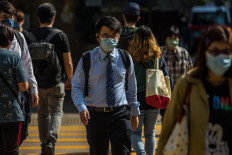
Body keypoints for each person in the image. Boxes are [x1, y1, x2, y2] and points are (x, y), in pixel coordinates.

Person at [156, 26, 232, 155]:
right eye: (215, 51)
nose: (221, 57)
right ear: (205, 52)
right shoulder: (187, 84)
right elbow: (167, 131)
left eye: (226, 51)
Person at [72, 16, 140, 155]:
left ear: (119, 37)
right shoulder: (87, 59)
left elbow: (131, 87)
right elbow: (77, 86)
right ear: (98, 37)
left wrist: (134, 111)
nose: (110, 39)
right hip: (95, 116)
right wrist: (81, 107)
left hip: (120, 114)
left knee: (122, 151)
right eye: (105, 35)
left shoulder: (125, 58)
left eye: (113, 36)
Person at [26, 3, 73, 154]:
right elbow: (68, 61)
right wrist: (70, 79)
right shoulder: (60, 35)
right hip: (56, 82)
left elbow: (26, 62)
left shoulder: (30, 36)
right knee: (57, 112)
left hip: (38, 84)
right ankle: (51, 141)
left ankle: (43, 144)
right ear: (54, 18)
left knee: (42, 114)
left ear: (38, 18)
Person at [128, 25, 173, 155]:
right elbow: (167, 76)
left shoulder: (131, 56)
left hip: (137, 100)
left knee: (135, 133)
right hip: (155, 97)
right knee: (150, 133)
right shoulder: (157, 55)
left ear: (136, 39)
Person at [0, 24, 28, 155]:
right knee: (11, 150)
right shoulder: (13, 57)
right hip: (12, 114)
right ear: (10, 41)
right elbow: (23, 86)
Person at [160, 25, 193, 118]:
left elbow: (191, 71)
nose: (173, 40)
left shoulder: (183, 53)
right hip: (165, 94)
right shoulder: (159, 52)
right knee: (166, 120)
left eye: (176, 38)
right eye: (171, 38)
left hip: (181, 94)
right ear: (166, 39)